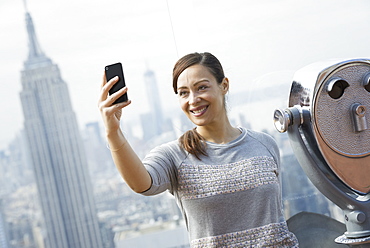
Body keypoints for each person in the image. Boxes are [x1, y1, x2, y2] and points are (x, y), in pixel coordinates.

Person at [98, 52, 299, 247]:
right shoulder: (174, 156)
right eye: (183, 93)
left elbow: (276, 217)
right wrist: (113, 132)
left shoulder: (264, 143)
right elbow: (140, 184)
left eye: (201, 87)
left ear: (224, 85)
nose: (193, 100)